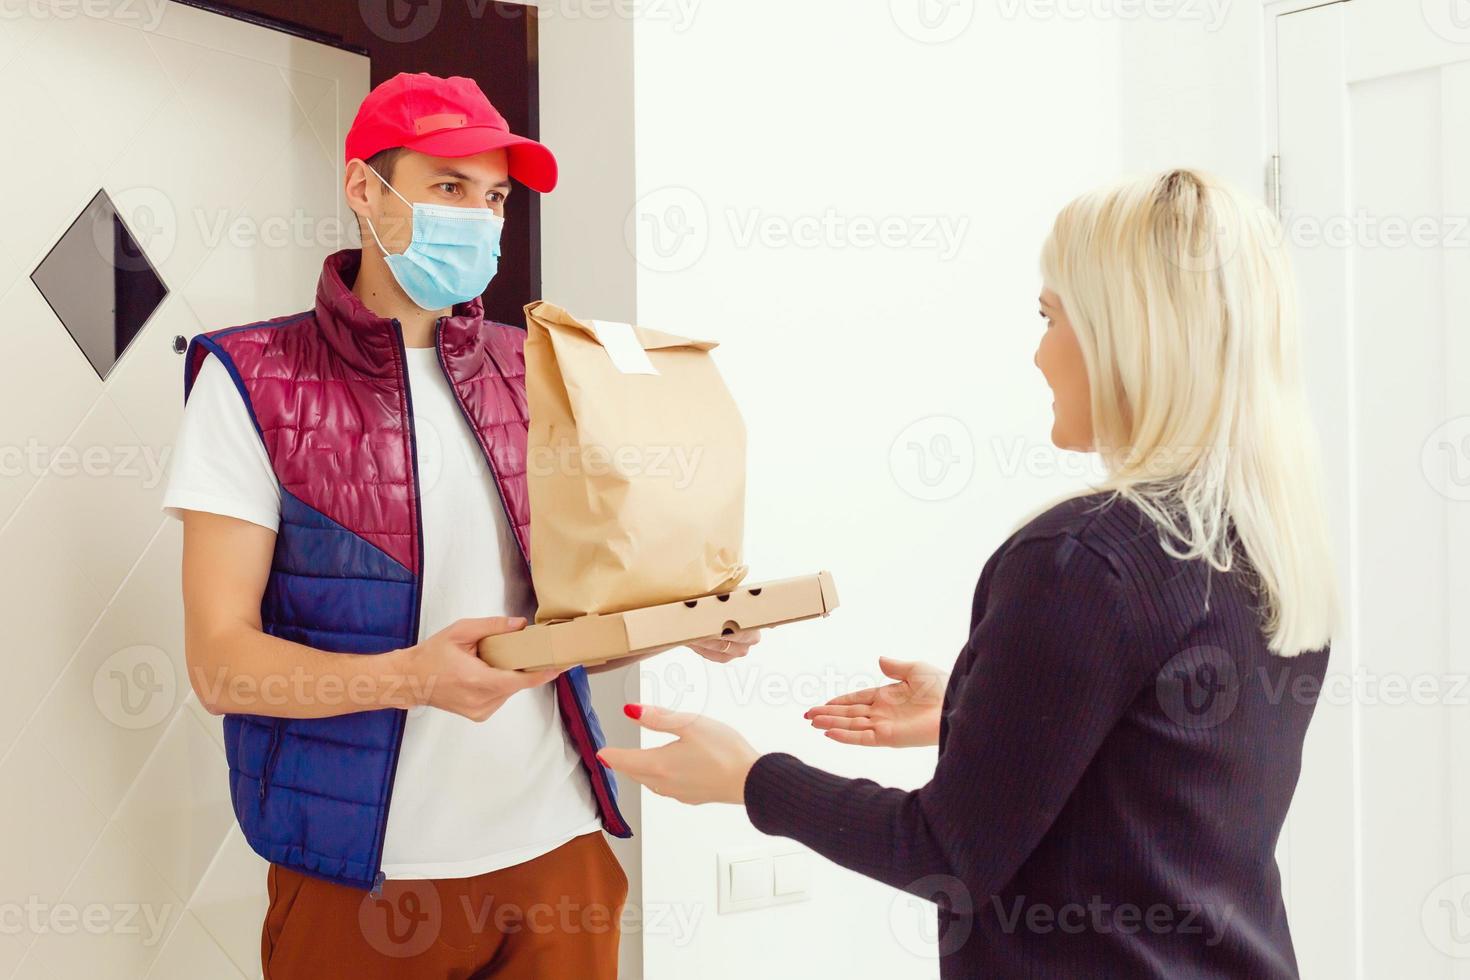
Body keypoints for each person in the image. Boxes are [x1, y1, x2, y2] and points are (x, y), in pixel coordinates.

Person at [598, 169, 1340, 978]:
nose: (1037, 352)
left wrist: (748, 779)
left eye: (1050, 316)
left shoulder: (1083, 558)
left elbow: (945, 851)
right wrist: (979, 702)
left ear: (1129, 337)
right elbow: (1169, 761)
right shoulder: (1261, 536)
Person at [161, 71, 759, 979]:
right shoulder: (253, 380)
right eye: (448, 188)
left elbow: (569, 619)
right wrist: (410, 678)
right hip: (362, 883)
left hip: (558, 857)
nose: (477, 219)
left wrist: (684, 618)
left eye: (494, 198)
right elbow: (219, 664)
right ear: (364, 187)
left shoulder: (539, 368)